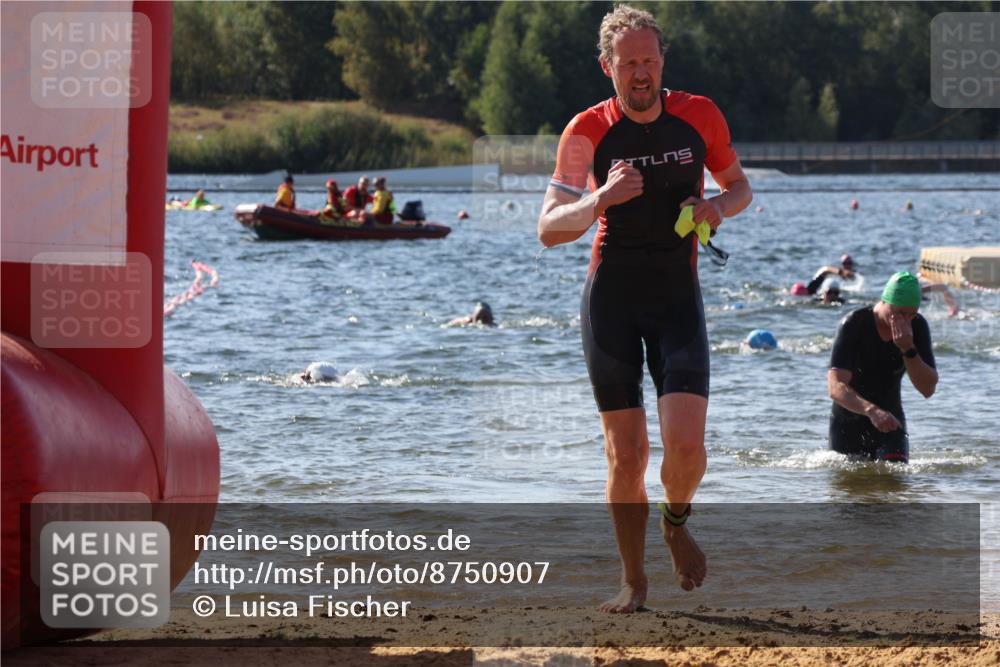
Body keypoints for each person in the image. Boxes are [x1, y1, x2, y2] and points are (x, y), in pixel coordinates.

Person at [536, 5, 752, 612]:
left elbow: (739, 187)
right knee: (626, 455)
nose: (640, 72)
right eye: (627, 62)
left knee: (687, 449)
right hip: (612, 301)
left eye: (649, 60)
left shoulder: (700, 116)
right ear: (607, 67)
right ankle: (633, 582)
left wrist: (718, 209)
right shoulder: (586, 131)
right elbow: (549, 229)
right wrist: (599, 199)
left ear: (662, 62)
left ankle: (675, 521)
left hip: (678, 299)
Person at [827, 272, 938, 463]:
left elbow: (927, 389)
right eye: (900, 313)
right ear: (885, 301)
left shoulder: (917, 327)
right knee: (850, 487)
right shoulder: (854, 324)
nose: (905, 320)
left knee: (895, 481)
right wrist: (871, 411)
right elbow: (835, 387)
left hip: (890, 423)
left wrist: (908, 348)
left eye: (911, 314)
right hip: (848, 423)